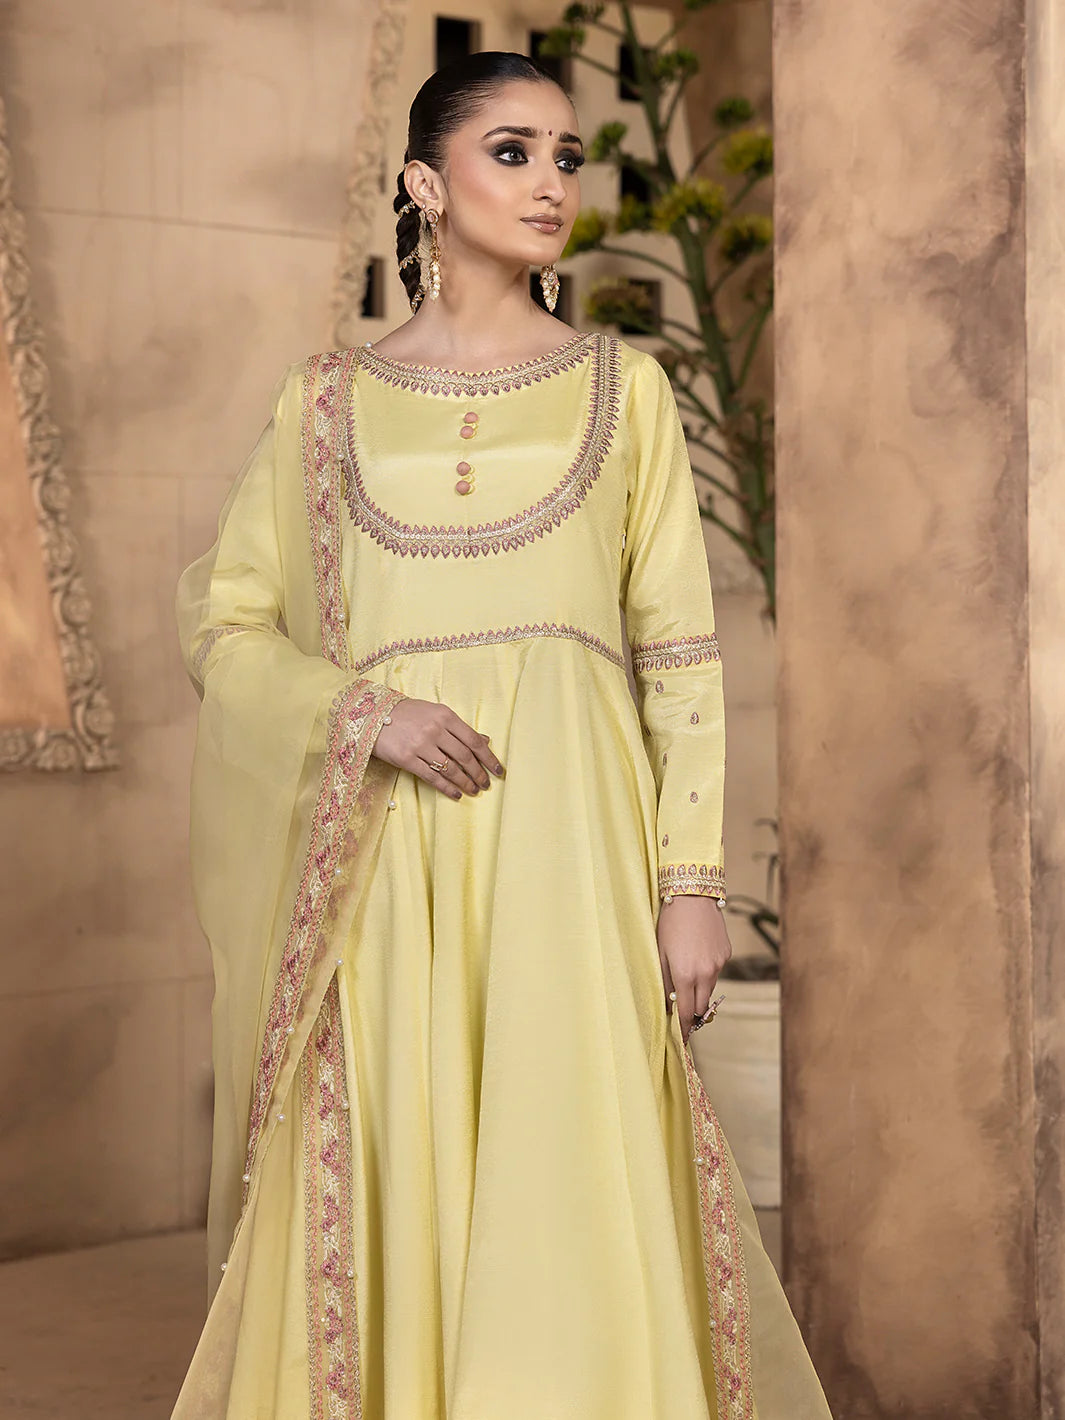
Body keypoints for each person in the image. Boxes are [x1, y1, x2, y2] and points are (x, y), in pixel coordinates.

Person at [172, 48, 832, 1420]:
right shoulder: (324, 403)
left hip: (572, 852)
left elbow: (678, 654)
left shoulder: (623, 388)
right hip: (390, 863)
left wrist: (690, 885)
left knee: (569, 1154)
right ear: (424, 184)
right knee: (402, 1147)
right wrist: (367, 713)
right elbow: (226, 626)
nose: (551, 185)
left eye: (566, 157)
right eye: (513, 152)